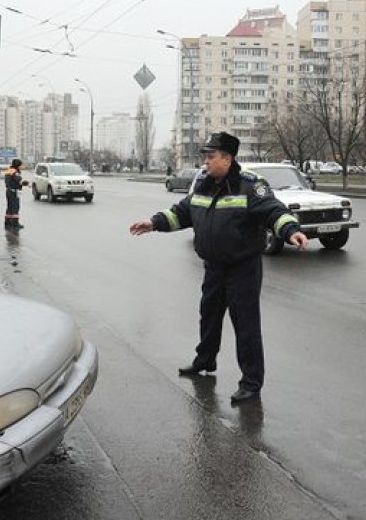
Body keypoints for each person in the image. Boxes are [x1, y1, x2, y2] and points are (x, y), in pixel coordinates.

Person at [129, 131, 309, 404]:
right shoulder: (203, 183)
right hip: (214, 266)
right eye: (205, 157)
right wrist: (154, 223)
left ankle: (251, 383)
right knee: (209, 316)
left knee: (245, 325)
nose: (205, 162)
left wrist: (290, 230)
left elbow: (273, 210)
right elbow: (182, 212)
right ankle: (205, 361)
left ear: (228, 159)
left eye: (211, 157)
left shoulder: (250, 185)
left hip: (242, 268)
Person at [4, 158, 28, 229]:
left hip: (8, 191)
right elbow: (19, 181)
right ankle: (15, 223)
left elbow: (9, 181)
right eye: (20, 165)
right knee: (15, 207)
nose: (21, 167)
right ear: (17, 165)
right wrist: (26, 183)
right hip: (14, 191)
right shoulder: (15, 172)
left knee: (9, 207)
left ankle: (7, 221)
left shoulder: (9, 170)